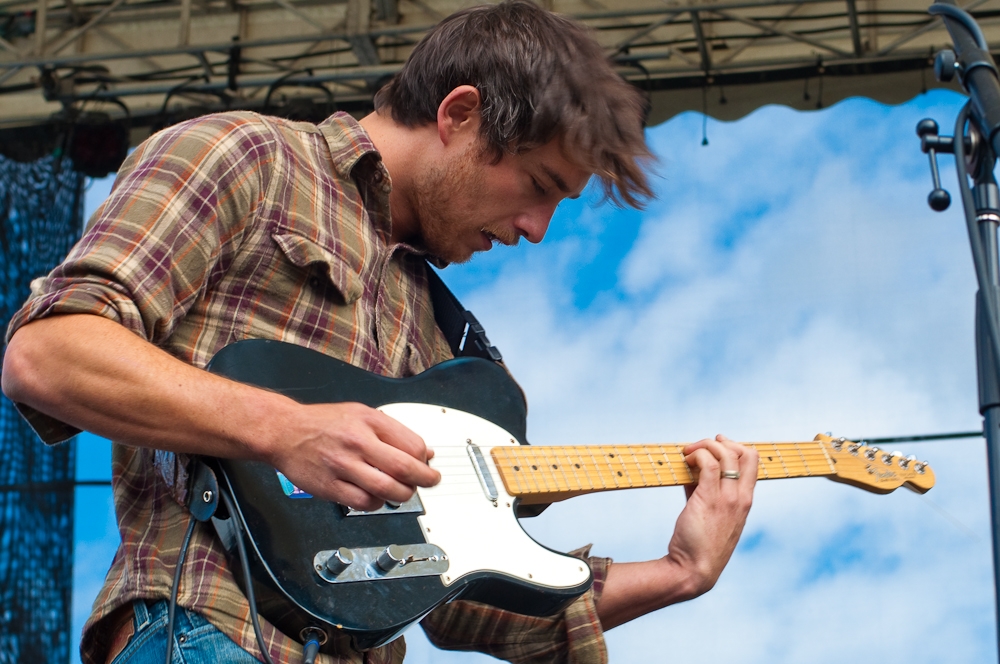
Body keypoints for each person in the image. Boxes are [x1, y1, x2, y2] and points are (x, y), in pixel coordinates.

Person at [1, 2, 758, 663]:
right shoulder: (248, 158)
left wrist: (678, 573)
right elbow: (49, 352)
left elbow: (449, 595)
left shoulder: (441, 334)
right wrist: (286, 429)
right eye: (537, 186)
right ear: (459, 114)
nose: (536, 229)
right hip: (208, 633)